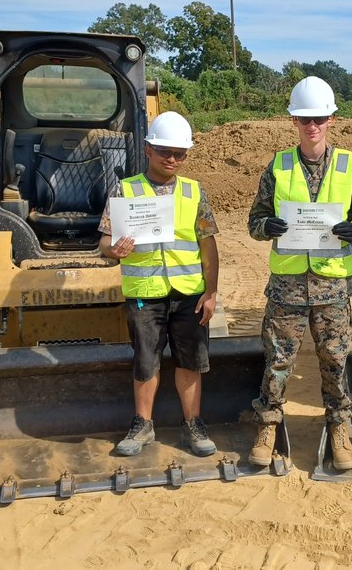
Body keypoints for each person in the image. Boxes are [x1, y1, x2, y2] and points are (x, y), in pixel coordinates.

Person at [247, 76, 352, 471]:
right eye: (305, 119)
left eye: (319, 118)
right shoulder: (278, 165)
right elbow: (254, 220)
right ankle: (268, 425)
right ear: (294, 122)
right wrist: (265, 227)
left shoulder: (351, 165)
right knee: (277, 361)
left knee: (334, 361)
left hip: (333, 285)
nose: (312, 126)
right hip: (287, 286)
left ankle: (339, 428)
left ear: (331, 119)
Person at [100, 111, 220, 457]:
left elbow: (208, 248)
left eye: (179, 154)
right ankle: (142, 425)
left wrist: (211, 293)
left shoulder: (194, 192)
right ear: (148, 149)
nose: (172, 159)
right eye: (165, 151)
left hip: (188, 296)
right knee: (146, 361)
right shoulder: (125, 190)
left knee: (191, 362)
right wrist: (116, 250)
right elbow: (105, 244)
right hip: (145, 296)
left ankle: (193, 425)